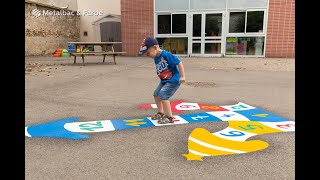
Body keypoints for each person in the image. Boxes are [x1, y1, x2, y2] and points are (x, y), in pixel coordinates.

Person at [138, 37, 186, 124]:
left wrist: (182, 76)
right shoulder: (156, 56)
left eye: (148, 53)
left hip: (173, 80)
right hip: (164, 80)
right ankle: (160, 113)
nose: (148, 55)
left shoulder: (166, 54)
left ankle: (170, 117)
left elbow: (179, 62)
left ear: (156, 47)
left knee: (163, 95)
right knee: (156, 94)